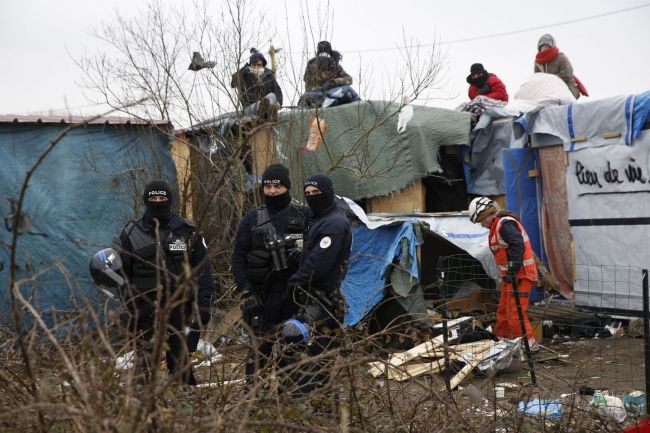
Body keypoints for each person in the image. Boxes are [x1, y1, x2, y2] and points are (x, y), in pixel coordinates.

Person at [92, 180, 214, 385]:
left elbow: (203, 270)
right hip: (145, 308)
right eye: (153, 198)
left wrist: (203, 306)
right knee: (145, 364)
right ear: (146, 201)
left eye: (162, 198)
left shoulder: (186, 231)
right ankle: (147, 410)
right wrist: (131, 304)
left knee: (181, 360)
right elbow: (119, 272)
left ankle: (186, 404)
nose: (158, 202)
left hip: (180, 306)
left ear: (170, 200)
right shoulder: (130, 233)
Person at [231, 164, 311, 382]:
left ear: (287, 186)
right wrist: (246, 291)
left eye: (277, 185)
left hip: (295, 296)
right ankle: (255, 404)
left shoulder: (303, 215)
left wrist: (302, 254)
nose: (272, 191)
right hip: (261, 298)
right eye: (268, 186)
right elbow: (238, 259)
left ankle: (291, 402)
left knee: (293, 354)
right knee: (258, 356)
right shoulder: (251, 219)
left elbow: (319, 253)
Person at [280, 173, 353, 394]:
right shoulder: (320, 220)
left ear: (328, 193)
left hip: (323, 302)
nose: (312, 197)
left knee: (314, 361)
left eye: (317, 193)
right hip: (313, 299)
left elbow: (320, 265)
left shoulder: (333, 224)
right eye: (308, 194)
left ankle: (313, 409)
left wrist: (293, 283)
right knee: (304, 356)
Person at [468, 196, 539, 350]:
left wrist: (513, 269)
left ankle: (530, 347)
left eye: (481, 220)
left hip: (520, 276)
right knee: (503, 312)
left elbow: (517, 245)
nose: (481, 225)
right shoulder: (497, 227)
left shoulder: (504, 224)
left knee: (515, 314)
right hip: (511, 277)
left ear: (486, 214)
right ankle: (501, 342)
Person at [299, 41, 360, 108]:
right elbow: (307, 83)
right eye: (322, 55)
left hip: (333, 92)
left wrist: (335, 82)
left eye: (326, 55)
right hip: (316, 94)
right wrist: (320, 88)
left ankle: (334, 102)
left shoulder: (335, 65)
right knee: (305, 99)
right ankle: (328, 102)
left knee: (347, 89)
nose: (324, 57)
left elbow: (349, 79)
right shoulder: (311, 65)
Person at [231, 48, 283, 120]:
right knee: (261, 103)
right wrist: (245, 68)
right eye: (254, 65)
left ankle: (267, 109)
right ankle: (265, 108)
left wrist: (279, 103)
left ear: (263, 65)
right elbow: (233, 83)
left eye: (259, 65)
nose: (256, 67)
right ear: (251, 65)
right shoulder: (245, 74)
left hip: (268, 104)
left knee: (271, 95)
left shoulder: (268, 75)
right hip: (250, 108)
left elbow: (278, 91)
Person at [534, 34, 588, 99]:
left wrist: (551, 80)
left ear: (551, 47)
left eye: (546, 46)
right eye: (542, 47)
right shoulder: (538, 63)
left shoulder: (561, 57)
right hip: (549, 92)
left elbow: (567, 73)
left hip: (566, 88)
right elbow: (536, 78)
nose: (544, 48)